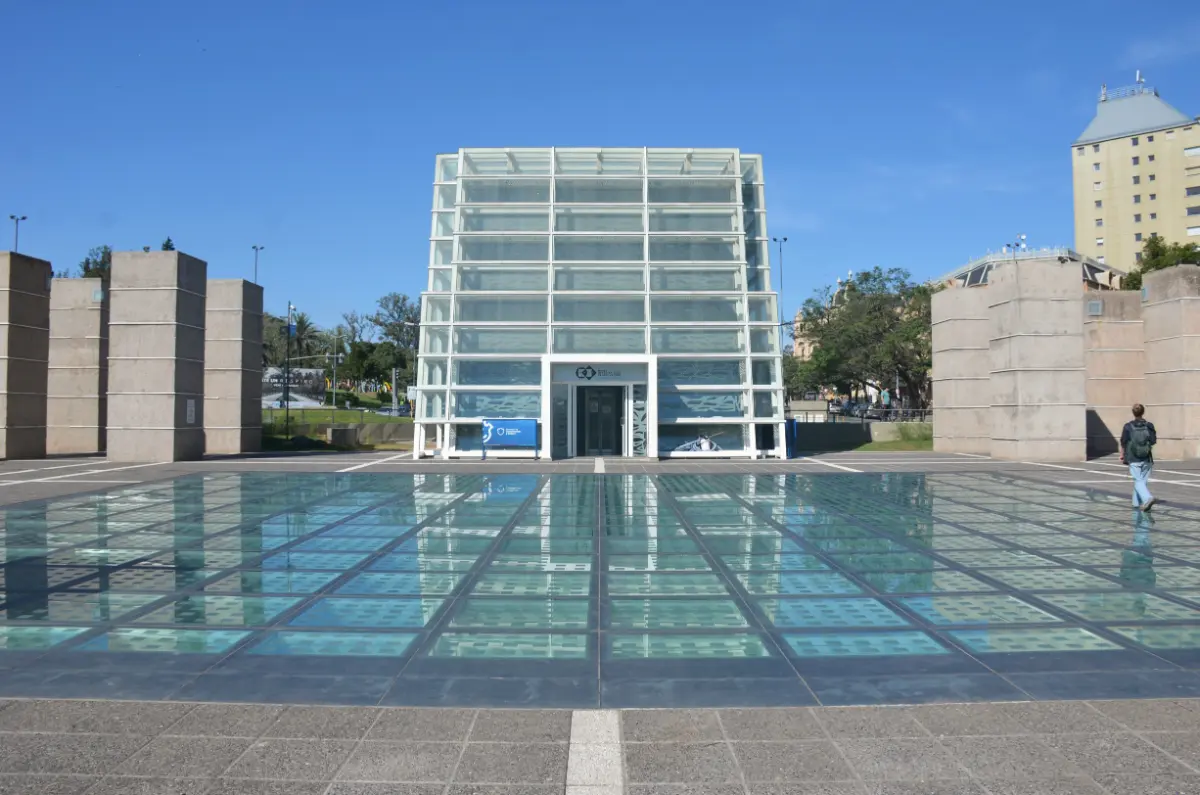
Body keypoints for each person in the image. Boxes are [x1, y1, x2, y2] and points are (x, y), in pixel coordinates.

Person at [1120, 403, 1158, 512]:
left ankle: (1147, 498)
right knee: (1141, 482)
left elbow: (1123, 442)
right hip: (1146, 458)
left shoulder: (1128, 426)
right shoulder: (1149, 425)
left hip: (1133, 457)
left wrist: (1122, 454)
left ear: (1133, 413)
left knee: (1138, 480)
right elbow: (1153, 441)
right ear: (1143, 412)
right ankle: (1136, 504)